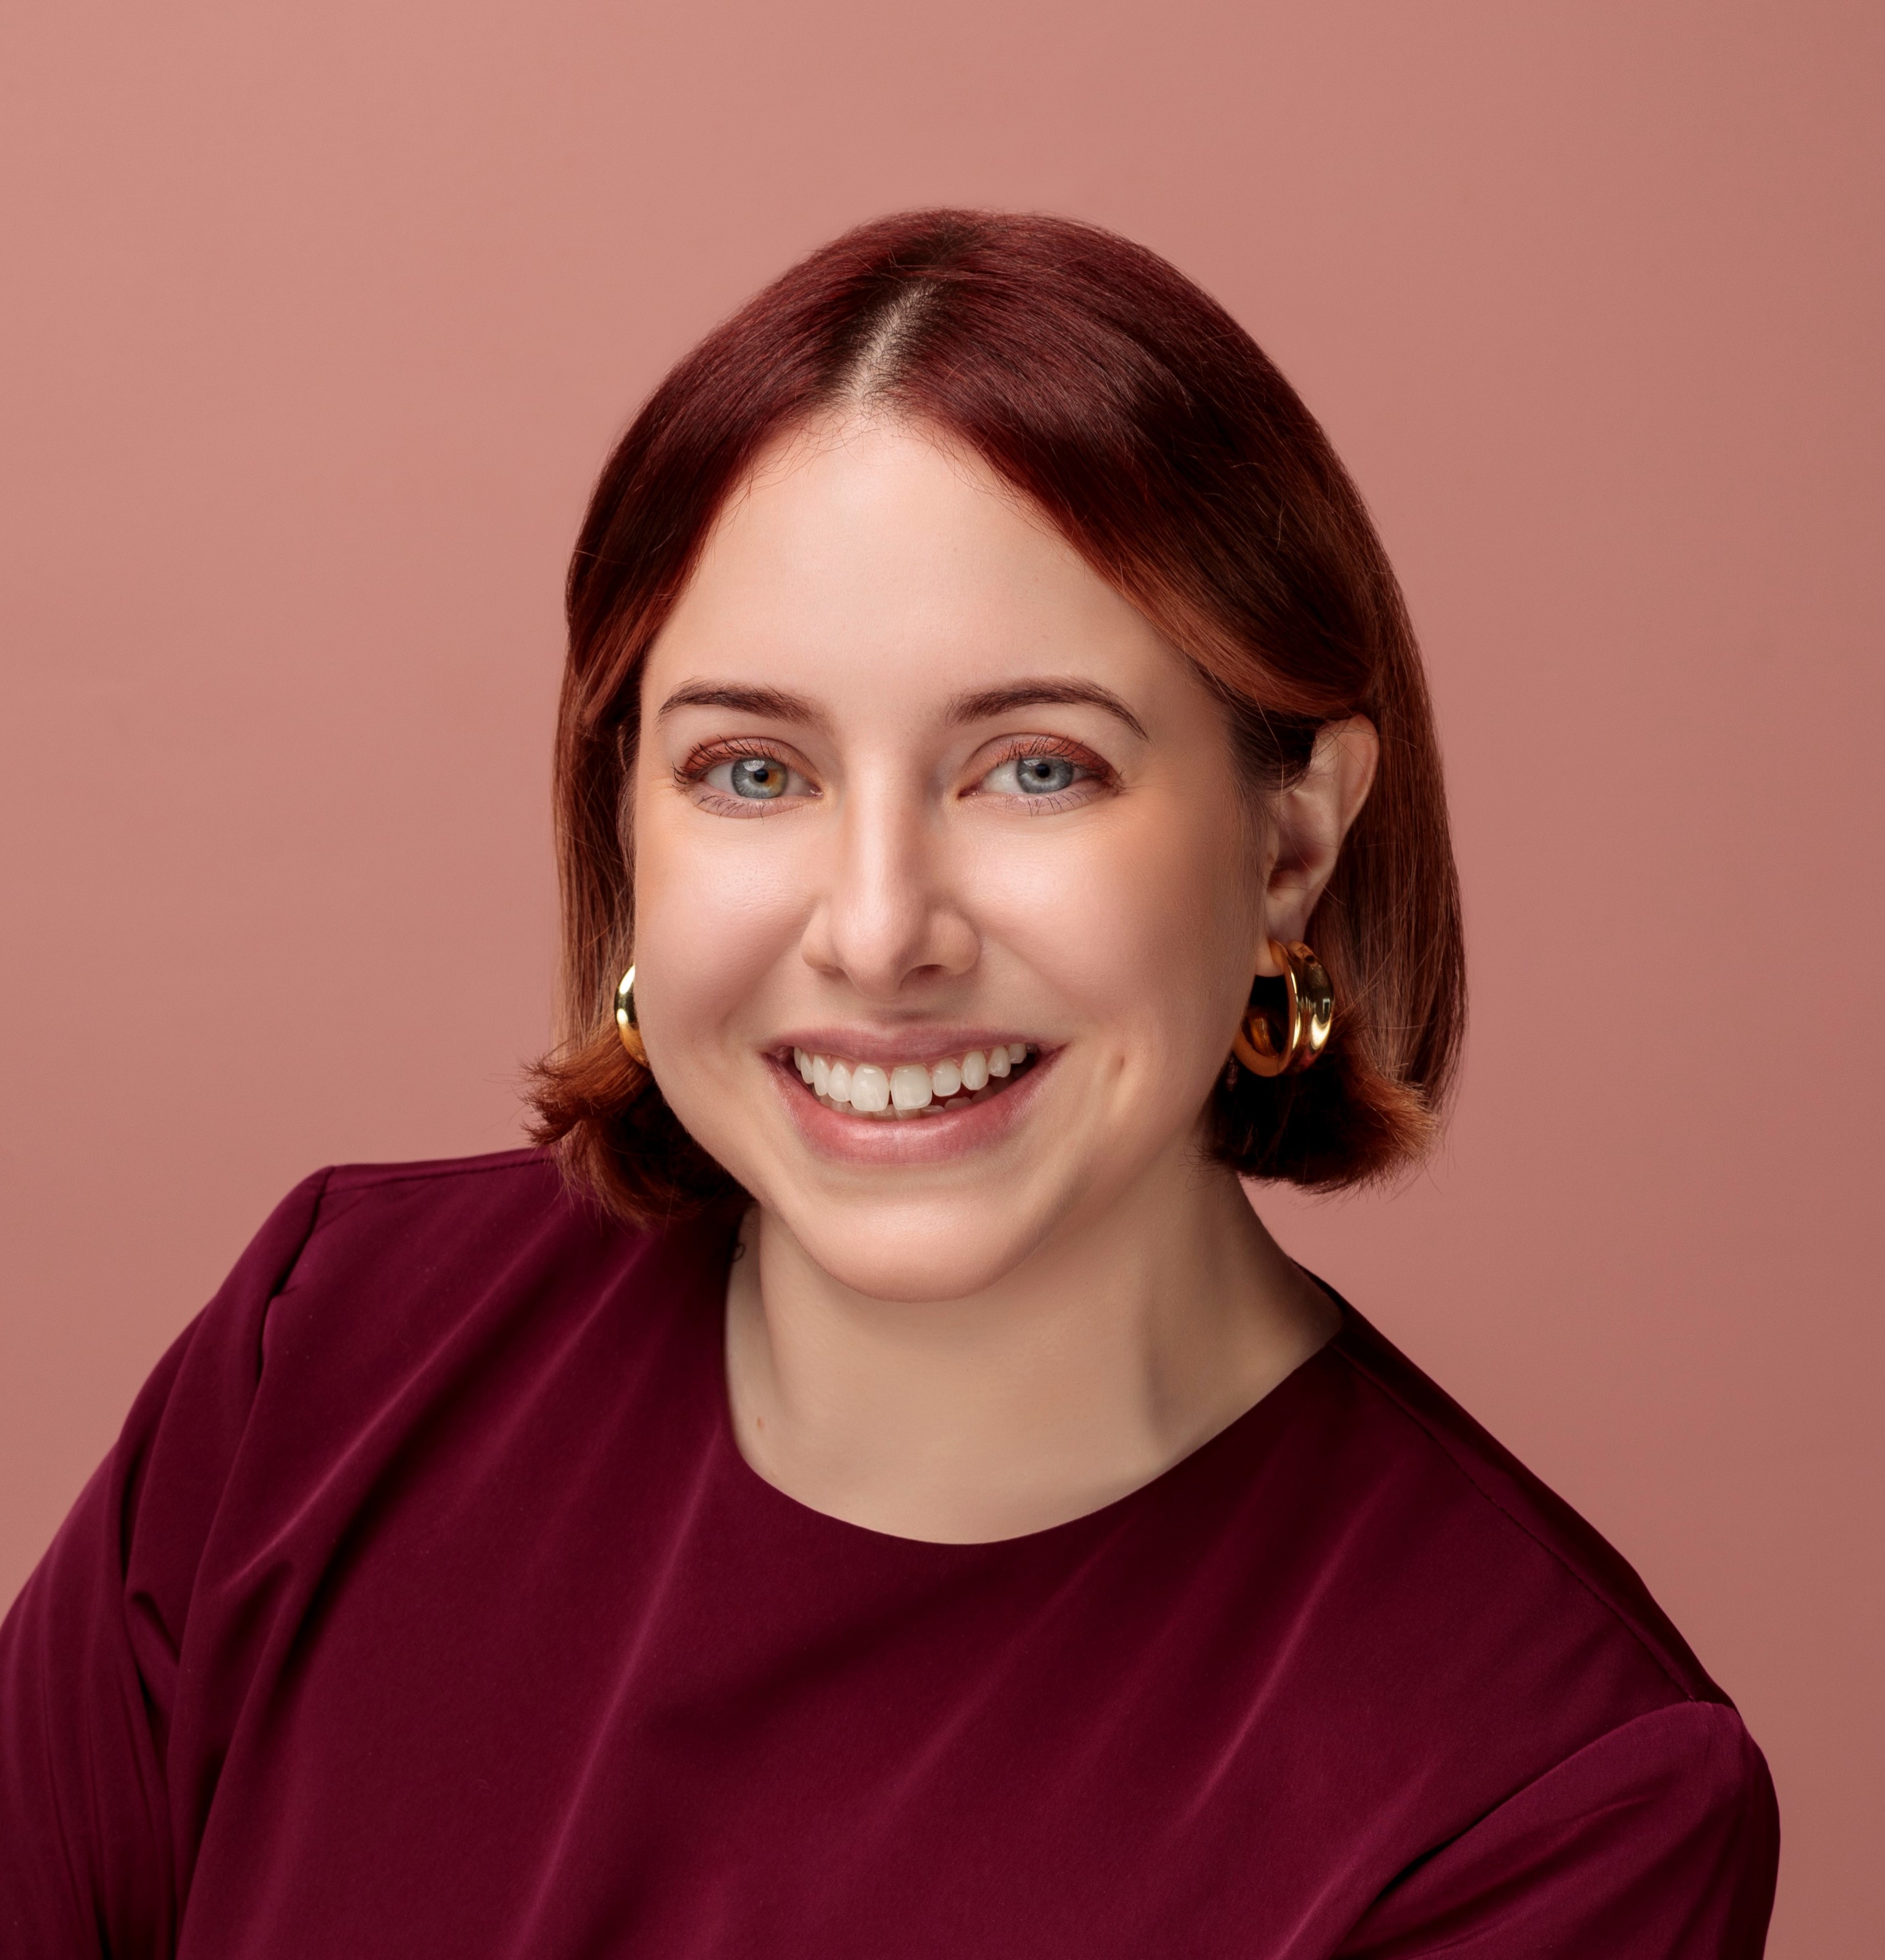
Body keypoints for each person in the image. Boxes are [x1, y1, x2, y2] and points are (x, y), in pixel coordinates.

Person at [0, 210, 1777, 1957]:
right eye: (752, 770)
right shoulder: (322, 1359)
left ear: (1290, 841)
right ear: (625, 821)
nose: (875, 930)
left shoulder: (1548, 1801)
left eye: (1034, 766)